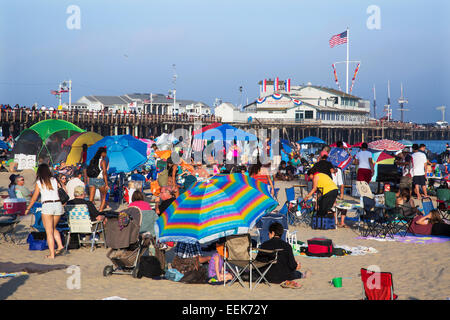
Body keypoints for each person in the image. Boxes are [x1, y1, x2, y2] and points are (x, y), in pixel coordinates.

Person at [25, 164, 65, 259]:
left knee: (49, 231)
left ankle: (52, 255)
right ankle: (60, 245)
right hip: (58, 205)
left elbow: (34, 198)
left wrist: (28, 208)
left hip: (47, 205)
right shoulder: (55, 180)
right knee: (52, 227)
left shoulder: (39, 182)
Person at [255, 222, 310, 287]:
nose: (268, 235)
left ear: (272, 233)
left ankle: (302, 274)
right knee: (296, 272)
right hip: (283, 277)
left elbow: (257, 262)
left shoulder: (264, 245)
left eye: (269, 233)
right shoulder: (287, 246)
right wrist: (296, 265)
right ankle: (303, 275)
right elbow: (292, 265)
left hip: (266, 276)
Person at [87, 147, 109, 211]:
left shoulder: (92, 160)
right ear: (102, 153)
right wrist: (106, 184)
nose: (105, 155)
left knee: (91, 198)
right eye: (105, 153)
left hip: (91, 179)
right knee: (104, 196)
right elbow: (104, 173)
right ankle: (100, 211)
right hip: (99, 180)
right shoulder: (102, 161)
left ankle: (90, 212)